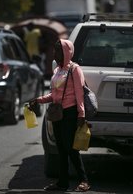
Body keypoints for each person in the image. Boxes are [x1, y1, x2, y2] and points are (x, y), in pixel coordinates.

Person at [30, 39, 90, 192]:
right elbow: (54, 94)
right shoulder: (58, 70)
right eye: (54, 50)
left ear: (66, 52)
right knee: (61, 149)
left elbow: (79, 94)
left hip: (70, 113)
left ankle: (84, 180)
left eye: (57, 50)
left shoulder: (75, 70)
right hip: (57, 114)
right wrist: (39, 100)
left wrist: (81, 114)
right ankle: (62, 183)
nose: (54, 53)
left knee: (71, 148)